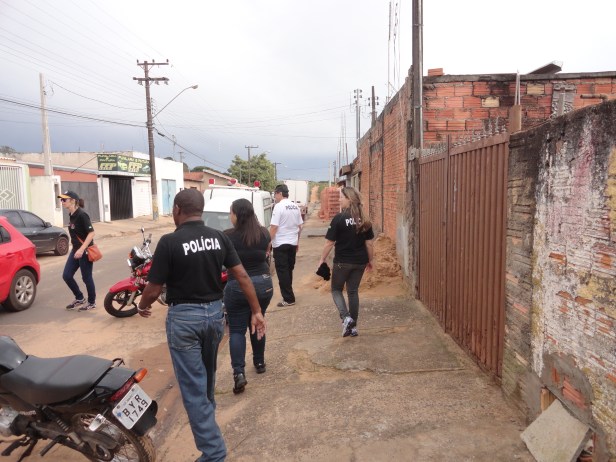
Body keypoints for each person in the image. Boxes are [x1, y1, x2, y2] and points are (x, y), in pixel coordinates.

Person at [136, 189, 266, 462]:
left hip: (185, 320)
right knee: (206, 380)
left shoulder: (169, 242)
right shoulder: (218, 237)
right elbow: (242, 275)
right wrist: (256, 311)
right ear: (201, 210)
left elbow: (154, 288)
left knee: (194, 390)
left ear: (177, 210)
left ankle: (214, 453)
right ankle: (209, 425)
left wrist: (142, 305)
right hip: (215, 317)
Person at [224, 198, 274, 394]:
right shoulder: (263, 233)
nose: (230, 216)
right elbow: (266, 253)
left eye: (231, 212)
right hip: (263, 284)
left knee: (237, 330)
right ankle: (259, 363)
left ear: (237, 214)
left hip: (238, 287)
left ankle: (239, 373)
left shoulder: (227, 236)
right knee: (257, 319)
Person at [318, 187, 374, 337]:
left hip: (342, 262)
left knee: (336, 290)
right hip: (360, 262)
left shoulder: (339, 218)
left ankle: (346, 318)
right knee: (353, 291)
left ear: (349, 199)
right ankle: (353, 327)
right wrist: (370, 260)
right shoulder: (364, 219)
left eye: (341, 197)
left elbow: (329, 243)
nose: (339, 200)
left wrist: (322, 259)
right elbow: (369, 243)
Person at [59, 190, 97, 311]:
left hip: (84, 251)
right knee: (67, 275)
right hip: (76, 250)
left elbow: (91, 233)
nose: (62, 202)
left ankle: (92, 302)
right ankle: (80, 298)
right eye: (61, 199)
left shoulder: (82, 215)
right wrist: (75, 248)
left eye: (64, 199)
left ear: (73, 201)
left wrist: (81, 249)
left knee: (86, 278)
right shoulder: (71, 214)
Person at [269, 184, 303, 307]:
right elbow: (300, 226)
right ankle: (289, 295)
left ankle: (288, 299)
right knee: (288, 270)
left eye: (275, 194)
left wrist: (268, 243)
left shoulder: (278, 207)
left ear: (279, 193)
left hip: (280, 244)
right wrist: (297, 241)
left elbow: (274, 227)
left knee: (282, 272)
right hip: (292, 243)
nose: (275, 197)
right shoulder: (295, 206)